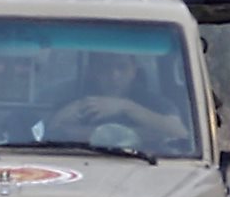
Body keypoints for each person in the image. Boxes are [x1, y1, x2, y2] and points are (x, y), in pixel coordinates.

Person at [46, 52, 189, 147]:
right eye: (105, 67)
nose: (114, 75)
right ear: (93, 71)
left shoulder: (153, 102)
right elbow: (47, 133)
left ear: (134, 70)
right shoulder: (78, 100)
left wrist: (127, 107)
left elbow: (180, 133)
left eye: (122, 67)